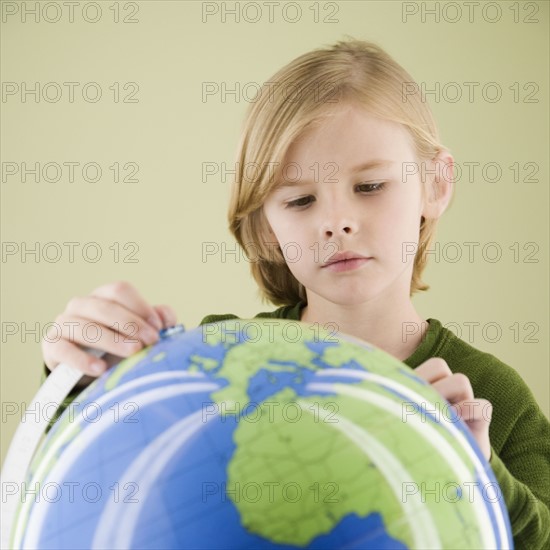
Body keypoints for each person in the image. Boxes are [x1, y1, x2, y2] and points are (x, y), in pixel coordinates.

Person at [41, 38, 549, 547]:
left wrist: (476, 469)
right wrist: (79, 384)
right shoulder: (212, 364)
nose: (337, 223)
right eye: (301, 199)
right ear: (264, 227)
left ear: (436, 184)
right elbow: (94, 501)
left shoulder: (493, 396)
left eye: (370, 186)